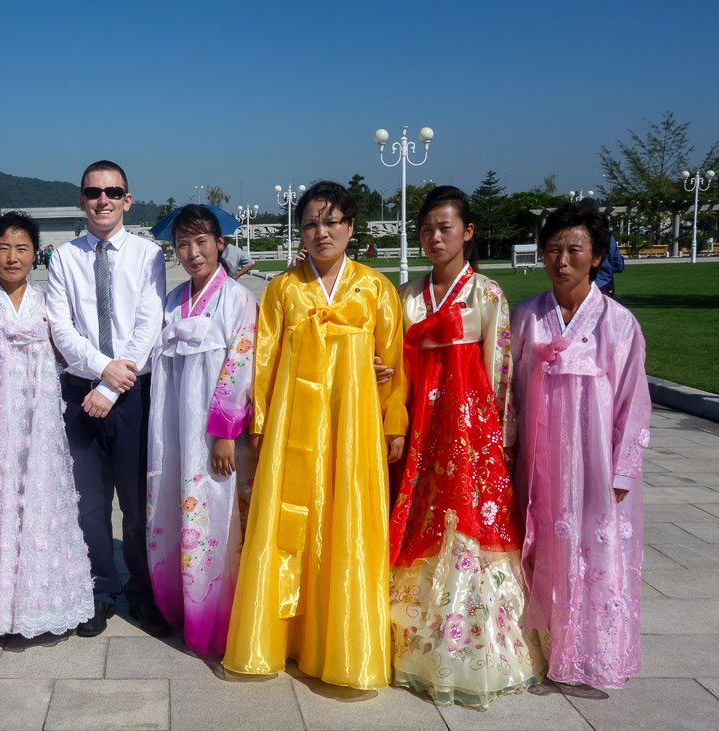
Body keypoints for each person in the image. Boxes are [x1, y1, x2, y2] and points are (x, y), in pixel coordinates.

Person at [222, 181, 407, 689]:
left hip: (353, 428)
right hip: (292, 428)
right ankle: (281, 638)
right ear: (299, 231)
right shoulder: (284, 289)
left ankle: (344, 645)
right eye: (310, 223)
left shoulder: (375, 288)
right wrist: (259, 424)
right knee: (287, 527)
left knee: (348, 523)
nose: (321, 232)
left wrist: (393, 422)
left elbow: (394, 363)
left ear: (350, 227)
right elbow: (264, 360)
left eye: (331, 222)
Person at [388, 186, 542, 708]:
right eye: (428, 228)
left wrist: (500, 443)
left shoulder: (486, 295)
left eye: (446, 227)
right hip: (420, 427)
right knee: (420, 519)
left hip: (468, 431)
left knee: (467, 524)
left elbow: (501, 372)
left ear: (467, 232)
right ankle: (413, 637)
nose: (435, 237)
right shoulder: (407, 295)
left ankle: (474, 644)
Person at [512, 202, 651, 688]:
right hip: (539, 462)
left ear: (596, 257)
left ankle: (592, 652)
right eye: (553, 249)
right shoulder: (526, 318)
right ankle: (547, 648)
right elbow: (507, 392)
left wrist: (622, 471)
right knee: (544, 547)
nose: (562, 260)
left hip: (594, 466)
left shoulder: (618, 323)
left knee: (596, 552)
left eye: (574, 250)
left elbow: (634, 403)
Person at [0, 210, 94, 638]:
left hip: (39, 422)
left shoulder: (50, 305)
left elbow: (69, 355)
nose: (12, 257)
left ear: (36, 254)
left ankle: (42, 601)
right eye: (3, 248)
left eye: (22, 248)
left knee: (40, 500)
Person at [46, 160, 169, 638]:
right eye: (94, 193)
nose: (103, 201)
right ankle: (100, 588)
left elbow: (148, 324)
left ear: (127, 200)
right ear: (82, 200)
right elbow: (61, 327)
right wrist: (100, 374)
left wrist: (111, 384)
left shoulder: (149, 255)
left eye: (112, 192)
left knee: (138, 505)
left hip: (133, 393)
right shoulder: (64, 258)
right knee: (90, 503)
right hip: (81, 396)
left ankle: (142, 590)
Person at [146, 205, 257, 655]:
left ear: (220, 244)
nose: (193, 253)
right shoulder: (172, 300)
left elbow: (240, 367)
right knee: (172, 505)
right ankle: (176, 605)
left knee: (215, 510)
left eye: (201, 242)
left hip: (212, 431)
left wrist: (226, 432)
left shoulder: (237, 299)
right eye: (183, 244)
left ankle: (216, 614)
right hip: (172, 424)